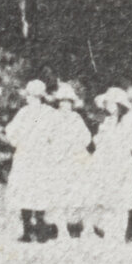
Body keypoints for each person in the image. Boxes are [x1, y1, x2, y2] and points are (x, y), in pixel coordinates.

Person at [4, 80, 60, 242]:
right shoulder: (29, 112)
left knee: (33, 190)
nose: (28, 98)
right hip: (31, 156)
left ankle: (35, 230)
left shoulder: (35, 113)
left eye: (30, 95)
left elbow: (11, 133)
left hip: (35, 156)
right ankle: (31, 230)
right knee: (30, 190)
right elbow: (11, 131)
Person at [85, 88, 132, 246]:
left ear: (118, 105)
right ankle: (109, 234)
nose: (108, 105)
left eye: (111, 102)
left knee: (122, 200)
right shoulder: (106, 122)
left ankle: (119, 235)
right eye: (106, 103)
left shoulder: (128, 123)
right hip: (106, 163)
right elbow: (99, 143)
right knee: (107, 199)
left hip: (121, 163)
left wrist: (118, 143)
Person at [46, 82, 94, 238]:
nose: (65, 105)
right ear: (58, 103)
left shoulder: (76, 118)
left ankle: (87, 229)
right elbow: (48, 138)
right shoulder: (53, 118)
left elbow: (86, 138)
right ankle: (62, 230)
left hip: (77, 159)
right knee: (60, 194)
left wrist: (76, 145)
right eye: (62, 101)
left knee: (83, 194)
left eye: (68, 102)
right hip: (60, 160)